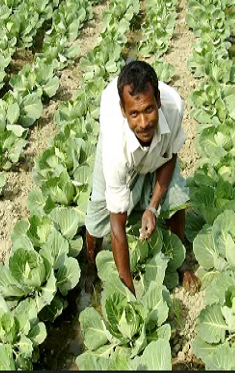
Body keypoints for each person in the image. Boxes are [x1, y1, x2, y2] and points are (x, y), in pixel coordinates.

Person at [84, 60, 200, 296]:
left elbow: (169, 156)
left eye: (148, 109)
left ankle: (178, 260)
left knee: (176, 194)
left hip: (158, 152)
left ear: (158, 100)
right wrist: (130, 293)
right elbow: (117, 224)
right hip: (121, 153)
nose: (144, 123)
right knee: (98, 214)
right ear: (123, 111)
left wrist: (153, 208)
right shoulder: (115, 144)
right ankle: (91, 265)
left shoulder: (174, 108)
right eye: (134, 114)